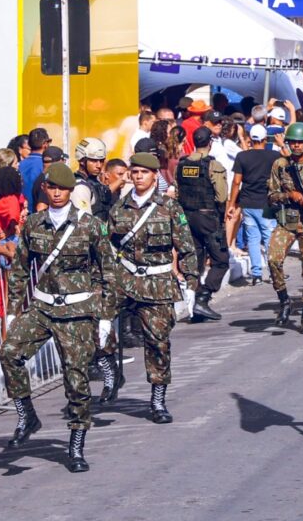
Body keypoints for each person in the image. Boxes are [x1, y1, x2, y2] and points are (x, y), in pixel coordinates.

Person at [0, 162, 119, 473]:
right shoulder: (34, 224)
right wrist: (12, 311)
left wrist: (105, 318)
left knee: (76, 380)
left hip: (78, 311)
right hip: (42, 307)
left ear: (70, 192)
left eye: (61, 189)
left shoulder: (89, 225)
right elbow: (21, 270)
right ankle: (27, 415)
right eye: (51, 187)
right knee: (10, 354)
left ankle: (76, 445)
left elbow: (109, 272)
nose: (55, 193)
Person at [107, 153, 200, 424]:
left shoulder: (169, 207)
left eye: (143, 172)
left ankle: (158, 400)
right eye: (134, 172)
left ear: (154, 175)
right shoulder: (119, 208)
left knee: (157, 342)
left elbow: (185, 246)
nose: (137, 177)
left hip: (157, 283)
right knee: (95, 323)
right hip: (125, 279)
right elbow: (108, 245)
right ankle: (110, 371)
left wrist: (191, 284)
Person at [266, 122, 303, 333]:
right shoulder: (280, 164)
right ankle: (284, 299)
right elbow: (271, 196)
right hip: (287, 219)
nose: (296, 146)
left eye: (300, 143)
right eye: (293, 142)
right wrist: (290, 195)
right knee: (273, 259)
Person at [176, 127, 228, 322]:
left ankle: (195, 306)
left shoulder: (181, 164)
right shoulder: (213, 165)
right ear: (210, 143)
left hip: (187, 218)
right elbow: (222, 196)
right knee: (221, 260)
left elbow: (178, 189)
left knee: (196, 261)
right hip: (208, 218)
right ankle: (203, 297)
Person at [230, 124, 282, 285]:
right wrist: (281, 145)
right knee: (269, 237)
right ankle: (275, 272)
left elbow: (236, 181)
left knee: (252, 238)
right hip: (266, 202)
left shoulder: (242, 156)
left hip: (248, 202)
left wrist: (232, 203)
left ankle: (256, 274)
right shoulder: (274, 155)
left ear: (250, 139)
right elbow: (289, 163)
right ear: (265, 138)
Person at [18, 127, 50, 204]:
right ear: (45, 144)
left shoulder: (19, 165)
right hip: (38, 211)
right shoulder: (45, 165)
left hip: (22, 210)